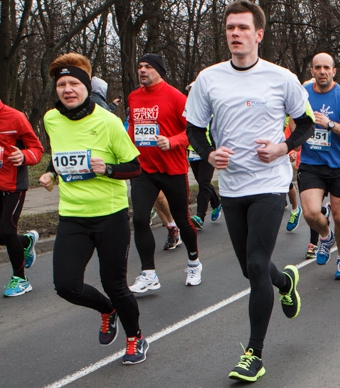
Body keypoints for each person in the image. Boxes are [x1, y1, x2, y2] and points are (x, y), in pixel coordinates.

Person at [184, 0, 311, 381]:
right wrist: (210, 153)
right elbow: (193, 128)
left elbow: (304, 124)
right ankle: (285, 281)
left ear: (258, 34)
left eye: (242, 28)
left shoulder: (281, 77)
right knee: (249, 268)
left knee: (256, 264)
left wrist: (283, 147)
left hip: (271, 183)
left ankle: (254, 354)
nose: (235, 34)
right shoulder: (209, 79)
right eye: (229, 28)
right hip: (233, 185)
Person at [38, 53, 147, 363]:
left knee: (115, 283)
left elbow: (135, 166)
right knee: (65, 286)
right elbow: (62, 154)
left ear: (86, 86)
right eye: (61, 84)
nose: (68, 89)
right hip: (72, 216)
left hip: (109, 215)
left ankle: (135, 337)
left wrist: (109, 169)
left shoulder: (108, 121)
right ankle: (106, 309)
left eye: (74, 83)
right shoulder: (51, 119)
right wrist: (50, 172)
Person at [126, 53, 202, 292]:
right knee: (139, 219)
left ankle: (194, 262)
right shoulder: (134, 97)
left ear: (160, 70)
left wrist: (172, 142)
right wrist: (126, 154)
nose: (142, 70)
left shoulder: (176, 97)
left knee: (182, 219)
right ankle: (148, 273)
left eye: (148, 66)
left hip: (172, 169)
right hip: (144, 169)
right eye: (140, 66)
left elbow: (192, 131)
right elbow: (133, 130)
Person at [298, 52, 340, 279]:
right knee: (310, 212)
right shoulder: (303, 95)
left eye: (327, 67)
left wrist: (331, 124)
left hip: (338, 165)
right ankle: (326, 237)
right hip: (311, 162)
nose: (322, 71)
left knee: (339, 215)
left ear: (334, 71)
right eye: (318, 67)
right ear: (312, 71)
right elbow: (292, 123)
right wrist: (290, 145)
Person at [0, 98, 43, 297]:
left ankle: (21, 279)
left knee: (7, 231)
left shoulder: (15, 117)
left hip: (13, 186)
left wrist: (23, 156)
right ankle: (24, 243)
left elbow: (37, 149)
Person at [185, 82, 222, 229]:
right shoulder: (188, 109)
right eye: (190, 91)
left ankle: (200, 216)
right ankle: (216, 203)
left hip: (209, 151)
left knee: (204, 183)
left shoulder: (213, 108)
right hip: (193, 151)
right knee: (202, 182)